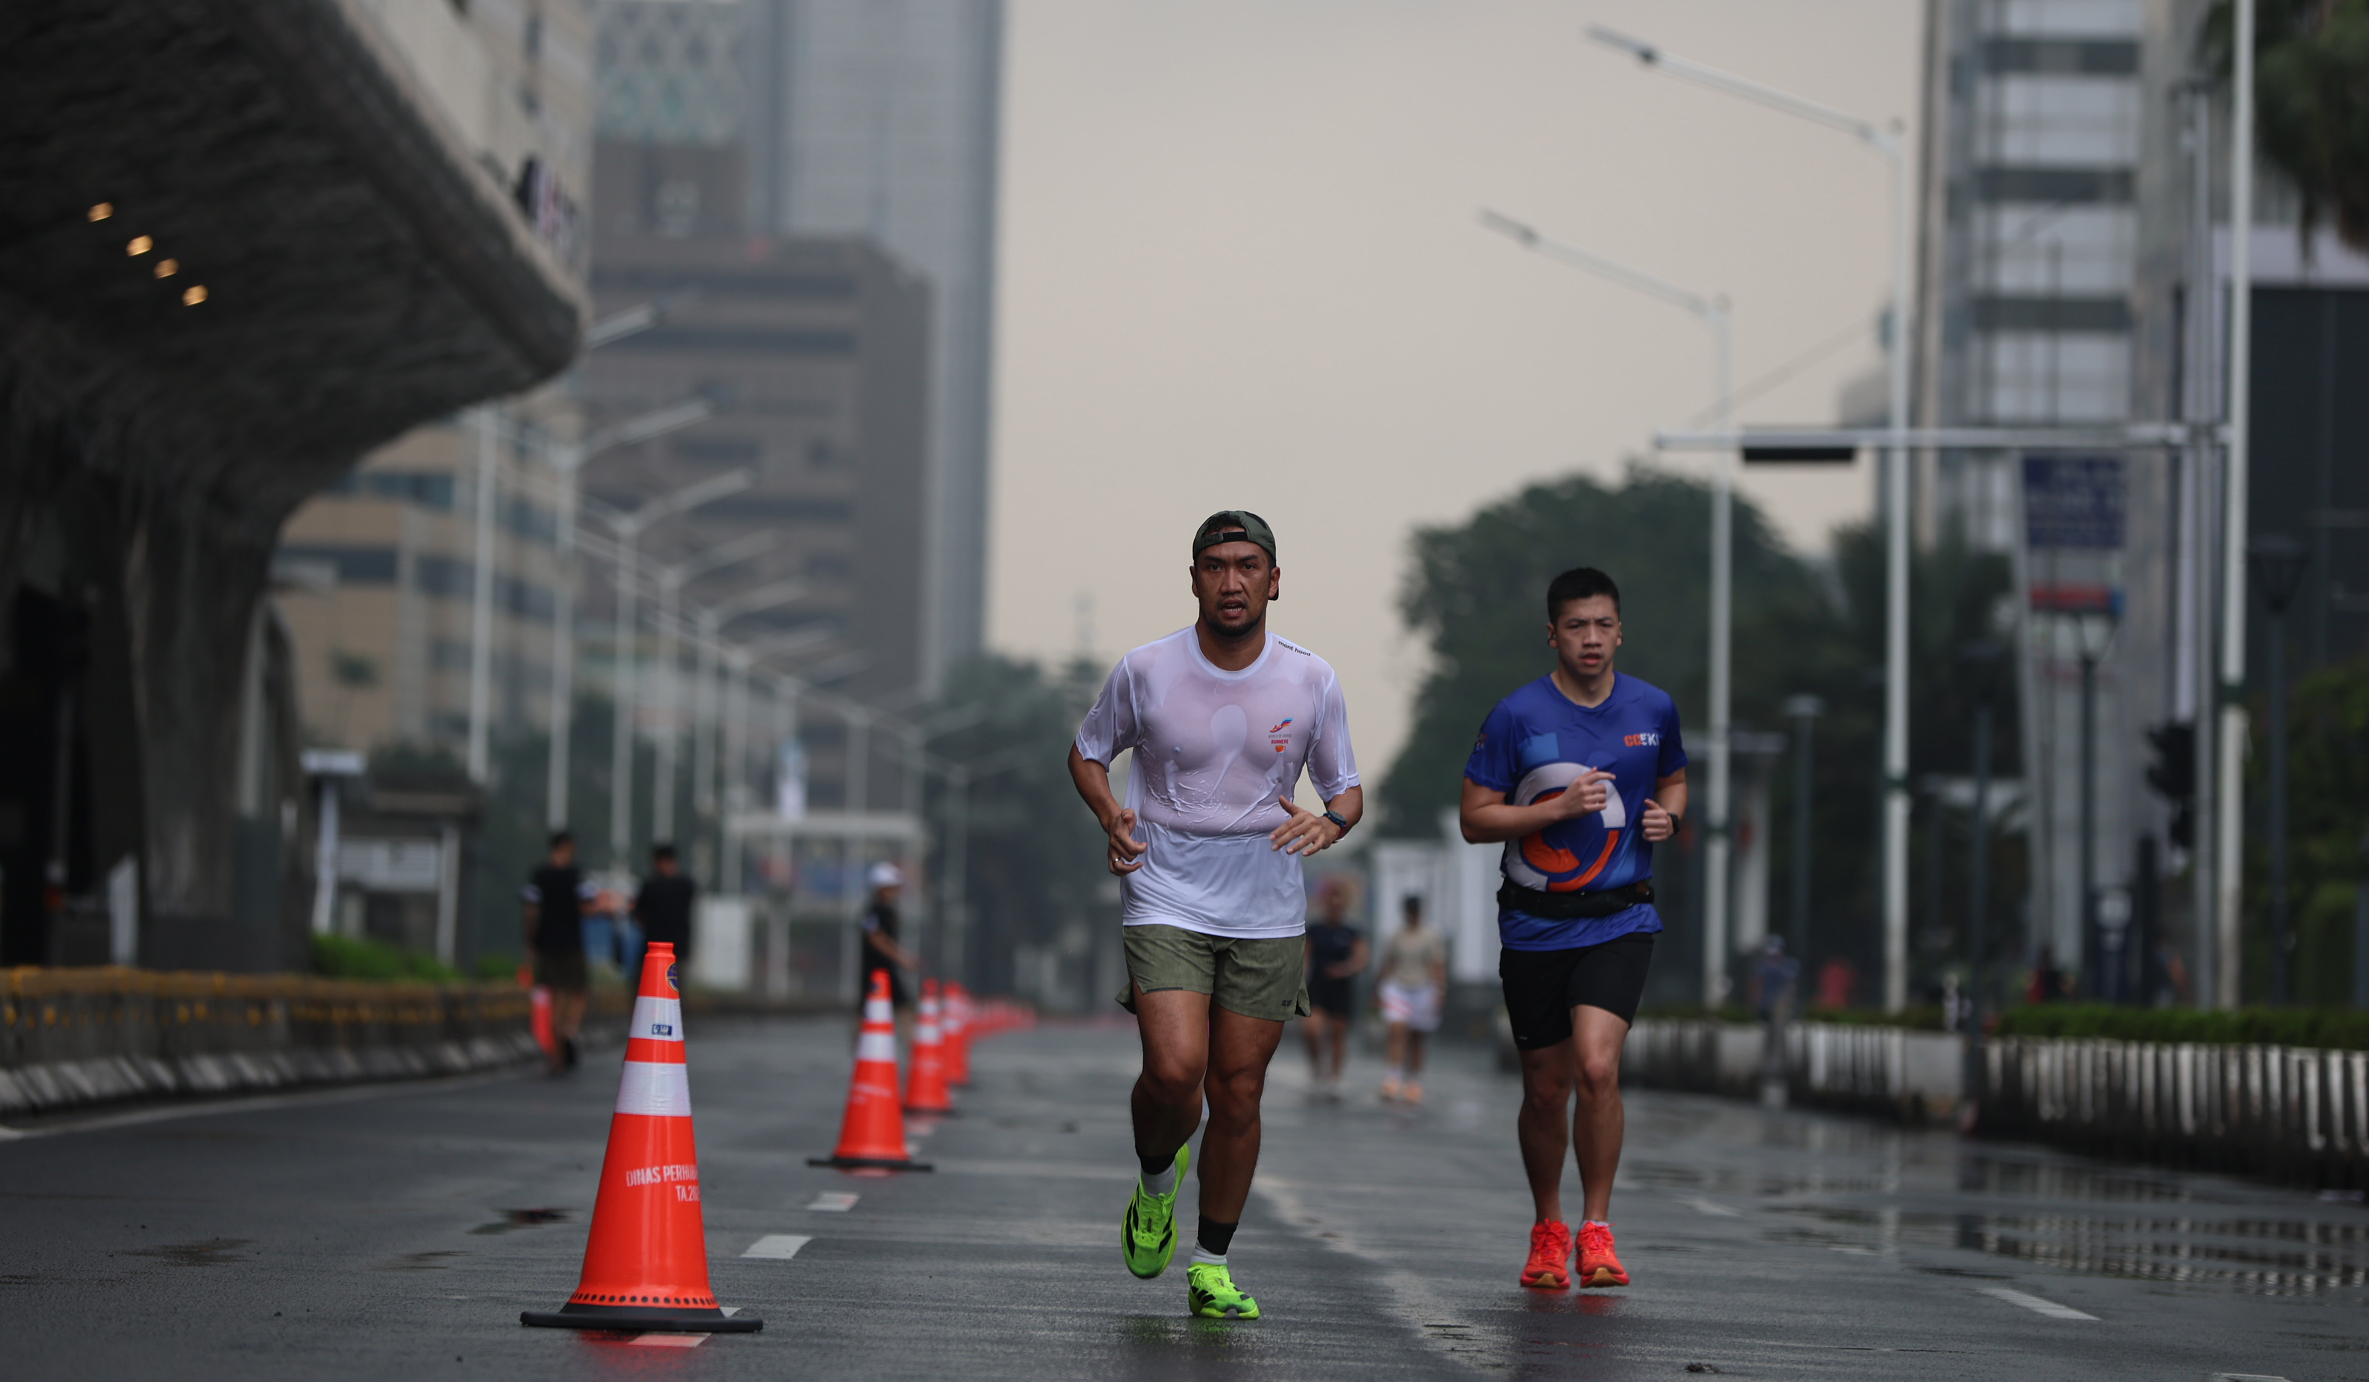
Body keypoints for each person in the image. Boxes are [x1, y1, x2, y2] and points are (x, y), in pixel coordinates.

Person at [1069, 509, 1362, 1321]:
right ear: (1192, 577)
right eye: (1213, 565)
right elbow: (1088, 751)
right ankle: (1155, 1185)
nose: (1230, 581)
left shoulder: (1311, 678)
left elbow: (1345, 788)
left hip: (1265, 903)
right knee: (1174, 1073)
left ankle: (1210, 1265)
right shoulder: (1145, 669)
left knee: (1237, 1092)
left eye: (1246, 565)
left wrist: (1329, 822)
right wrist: (1108, 813)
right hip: (1163, 887)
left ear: (1274, 579)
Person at [1459, 566, 1685, 1293]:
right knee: (1544, 1088)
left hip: (1620, 915)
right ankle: (1547, 1226)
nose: (1590, 639)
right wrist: (1552, 811)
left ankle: (1596, 1227)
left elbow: (1672, 777)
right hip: (1533, 924)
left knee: (1596, 1067)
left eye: (1602, 625)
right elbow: (1474, 818)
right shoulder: (1515, 716)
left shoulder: (1653, 707)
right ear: (1552, 634)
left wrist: (1668, 815)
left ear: (1619, 630)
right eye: (1576, 626)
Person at [522, 831, 598, 1074]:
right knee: (578, 992)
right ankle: (568, 1029)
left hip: (546, 943)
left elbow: (530, 911)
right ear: (566, 846)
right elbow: (587, 906)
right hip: (572, 943)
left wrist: (531, 942)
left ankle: (555, 1055)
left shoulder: (539, 875)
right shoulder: (577, 876)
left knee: (554, 998)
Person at [1300, 877, 1367, 1100]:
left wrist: (1346, 969)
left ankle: (1334, 1078)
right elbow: (1306, 957)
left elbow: (1361, 958)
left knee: (1338, 1034)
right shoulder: (1315, 929)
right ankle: (1316, 1068)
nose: (1335, 903)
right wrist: (1299, 980)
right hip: (1317, 985)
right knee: (1311, 1030)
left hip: (1341, 988)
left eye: (1339, 899)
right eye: (1331, 898)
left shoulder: (1351, 932)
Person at [1376, 895, 1447, 1104]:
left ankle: (1414, 1081)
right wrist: (1378, 989)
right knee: (1397, 1030)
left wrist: (1440, 991)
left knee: (1416, 1037)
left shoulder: (1430, 935)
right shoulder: (1396, 935)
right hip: (1398, 987)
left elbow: (1437, 964)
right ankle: (1393, 1078)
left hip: (1423, 988)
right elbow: (1388, 961)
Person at [858, 861, 920, 1016]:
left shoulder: (890, 911)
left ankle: (912, 1040)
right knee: (865, 1009)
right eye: (893, 887)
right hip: (873, 968)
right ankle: (860, 1040)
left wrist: (901, 956)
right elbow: (876, 939)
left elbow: (887, 940)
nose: (896, 891)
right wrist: (902, 958)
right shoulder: (873, 912)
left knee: (903, 1005)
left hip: (888, 967)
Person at [632, 843, 695, 991]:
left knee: (646, 992)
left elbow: (639, 916)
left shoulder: (651, 886)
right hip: (678, 951)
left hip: (652, 950)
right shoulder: (686, 885)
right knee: (674, 995)